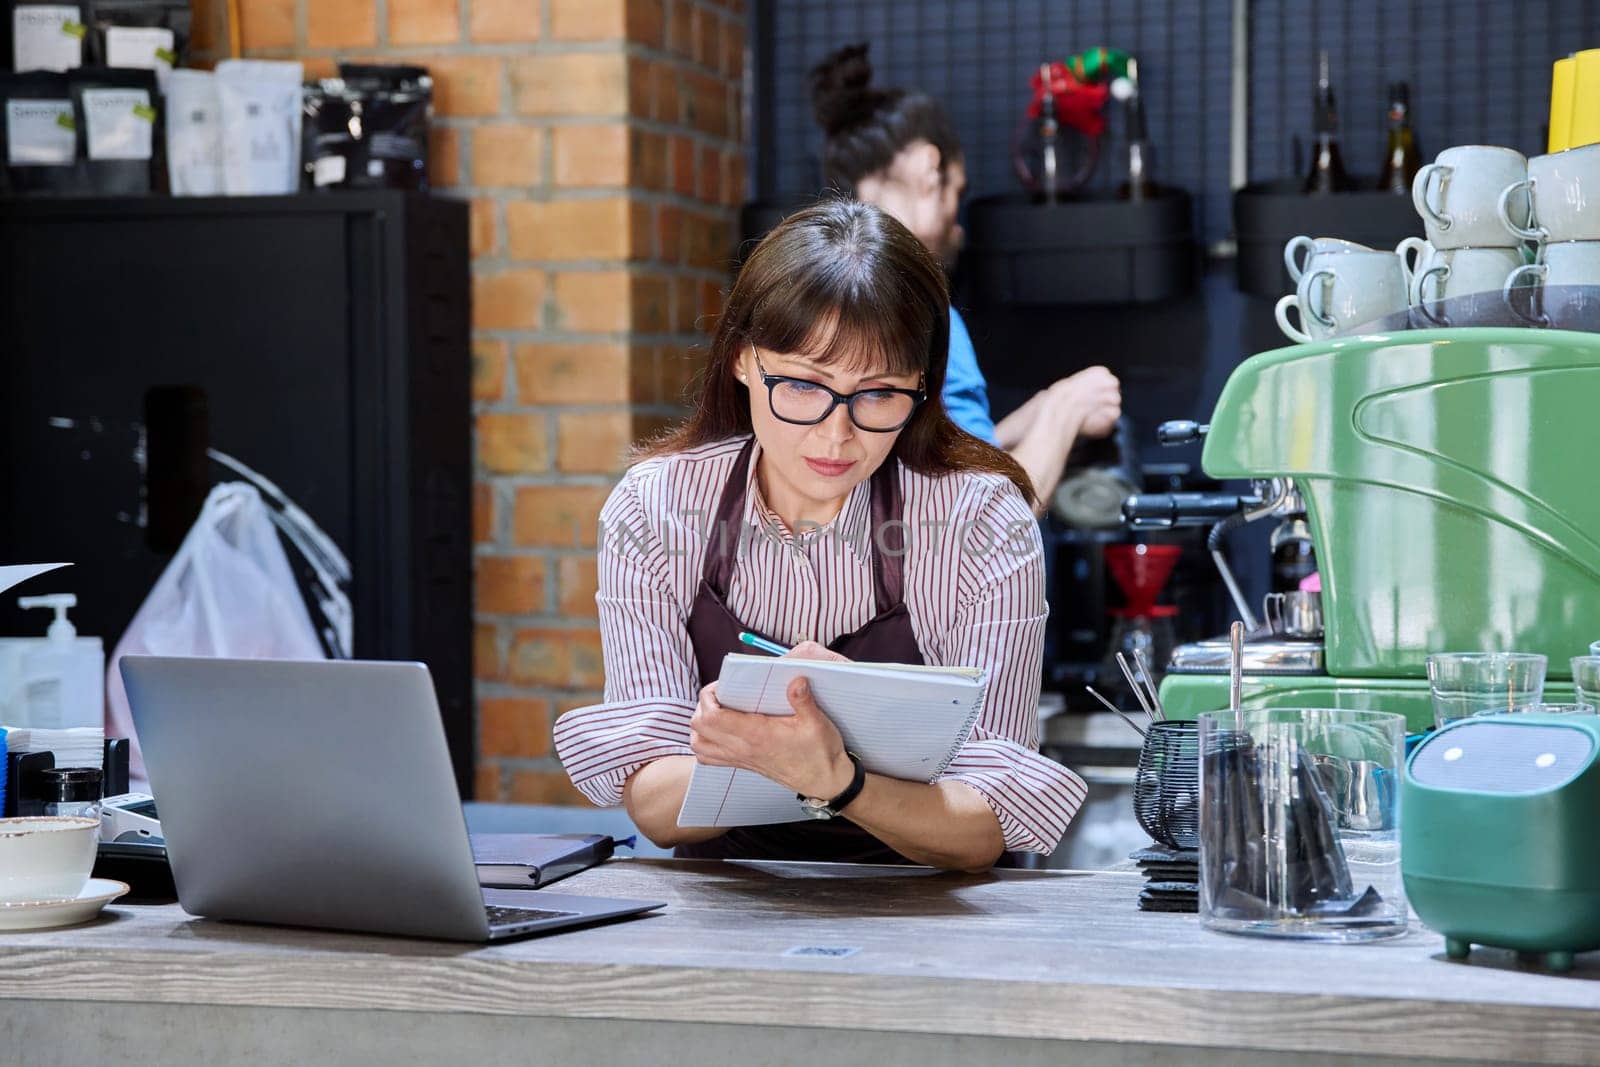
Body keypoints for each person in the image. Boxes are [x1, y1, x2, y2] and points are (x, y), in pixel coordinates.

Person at [554, 201, 1086, 872]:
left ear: (922, 384)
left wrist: (837, 774)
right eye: (804, 386)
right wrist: (804, 753)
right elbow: (656, 805)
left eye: (879, 393)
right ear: (744, 359)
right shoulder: (657, 508)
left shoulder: (980, 521)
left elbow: (984, 826)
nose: (837, 435)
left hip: (930, 908)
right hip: (731, 906)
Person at [809, 43, 1123, 513]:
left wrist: (1037, 411)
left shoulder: (827, 296)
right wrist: (1067, 407)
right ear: (928, 169)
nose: (959, 223)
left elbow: (937, 469)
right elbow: (986, 516)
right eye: (957, 189)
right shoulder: (915, 310)